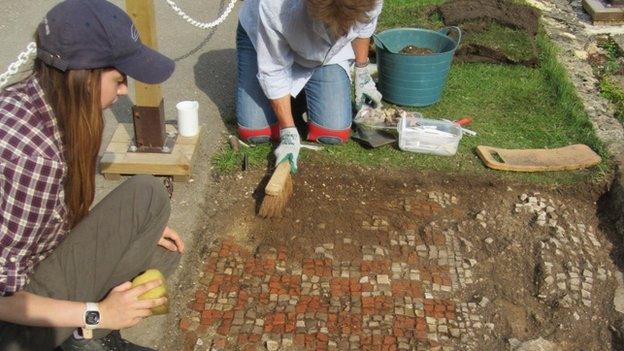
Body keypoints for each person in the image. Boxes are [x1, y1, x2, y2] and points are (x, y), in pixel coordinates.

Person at [0, 1, 184, 350]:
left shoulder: (34, 101)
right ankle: (82, 337)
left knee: (157, 241)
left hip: (33, 267)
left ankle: (80, 330)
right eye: (118, 78)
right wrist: (98, 313)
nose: (124, 90)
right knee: (146, 213)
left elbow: (49, 218)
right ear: (84, 79)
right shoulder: (33, 158)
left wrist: (127, 230)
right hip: (12, 325)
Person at [236, 0, 384, 173]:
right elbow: (274, 70)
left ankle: (295, 96)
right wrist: (288, 132)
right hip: (265, 38)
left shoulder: (369, 2)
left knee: (333, 134)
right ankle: (287, 98)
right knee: (255, 133)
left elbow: (365, 26)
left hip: (326, 54)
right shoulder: (275, 5)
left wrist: (362, 72)